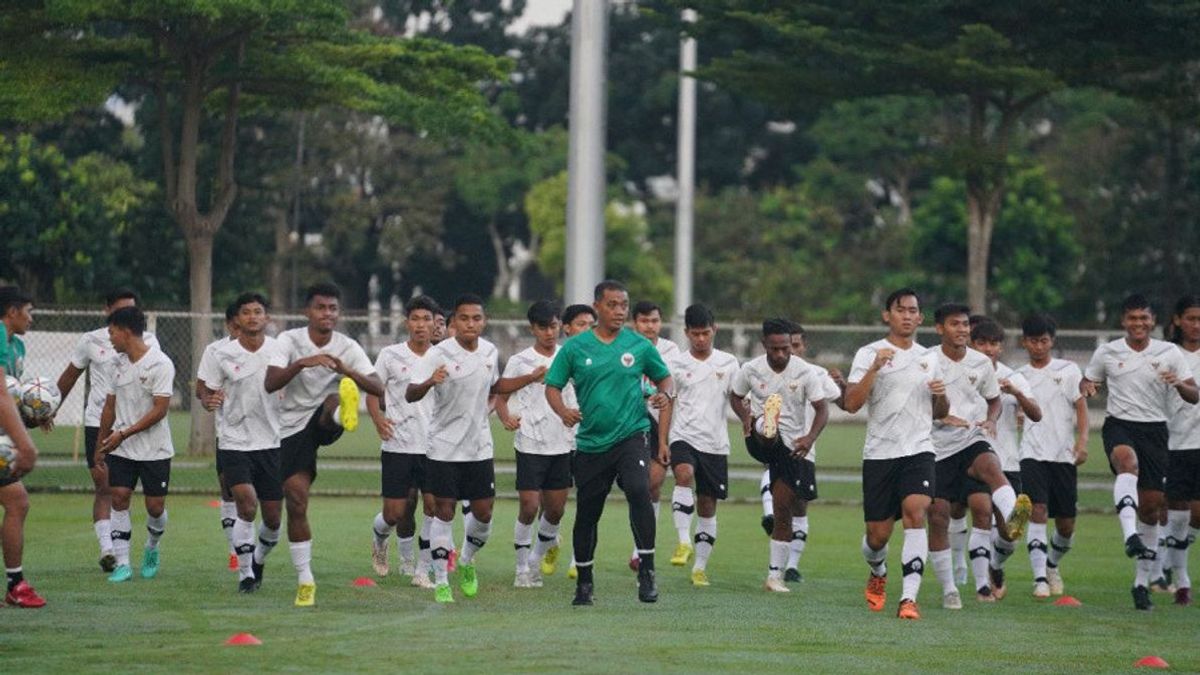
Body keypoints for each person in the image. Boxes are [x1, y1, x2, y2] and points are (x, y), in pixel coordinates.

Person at [545, 280, 673, 606]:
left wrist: (664, 393)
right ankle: (584, 583)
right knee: (588, 513)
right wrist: (563, 412)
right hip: (590, 443)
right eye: (613, 304)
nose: (619, 311)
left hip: (632, 434)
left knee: (639, 490)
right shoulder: (575, 348)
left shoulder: (639, 345)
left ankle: (647, 572)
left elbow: (665, 378)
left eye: (624, 305)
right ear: (597, 306)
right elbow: (552, 387)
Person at [265, 282, 383, 607]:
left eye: (333, 308)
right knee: (282, 509)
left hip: (318, 424)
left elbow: (378, 387)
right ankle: (258, 557)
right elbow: (270, 382)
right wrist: (301, 363)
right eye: (321, 307)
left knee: (336, 395)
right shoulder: (288, 341)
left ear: (338, 312)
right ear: (308, 311)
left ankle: (306, 581)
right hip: (286, 429)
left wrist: (345, 370)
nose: (327, 314)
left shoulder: (347, 346)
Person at [1081, 293, 1199, 610]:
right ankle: (1129, 535)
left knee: (1151, 508)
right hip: (1119, 424)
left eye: (1144, 318)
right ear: (1123, 321)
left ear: (1153, 322)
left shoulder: (1169, 352)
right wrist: (1088, 388)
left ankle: (1140, 583)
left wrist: (1178, 384)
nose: (1138, 324)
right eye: (1132, 318)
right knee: (1126, 463)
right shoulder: (1107, 352)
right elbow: (1087, 382)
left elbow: (1193, 395)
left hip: (1155, 430)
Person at [842, 289, 948, 620]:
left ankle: (908, 599)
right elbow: (851, 404)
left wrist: (941, 396)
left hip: (918, 450)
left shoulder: (930, 357)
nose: (906, 315)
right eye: (899, 310)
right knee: (877, 537)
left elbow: (940, 411)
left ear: (920, 318)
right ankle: (878, 572)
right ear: (887, 315)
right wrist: (874, 368)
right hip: (880, 453)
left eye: (912, 310)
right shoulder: (868, 353)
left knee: (917, 511)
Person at [927, 304, 1031, 609]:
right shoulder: (927, 360)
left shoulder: (981, 363)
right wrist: (943, 416)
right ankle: (949, 588)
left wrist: (991, 419)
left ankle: (1013, 513)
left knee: (990, 465)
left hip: (971, 437)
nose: (961, 329)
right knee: (939, 516)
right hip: (935, 446)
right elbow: (920, 400)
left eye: (964, 324)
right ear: (939, 328)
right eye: (954, 324)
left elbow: (994, 400)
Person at [407, 294, 503, 603]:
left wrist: (491, 410)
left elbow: (495, 390)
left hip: (479, 448)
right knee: (443, 512)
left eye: (477, 318)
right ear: (453, 323)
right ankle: (442, 582)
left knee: (484, 514)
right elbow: (410, 393)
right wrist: (429, 382)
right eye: (464, 318)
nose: (471, 324)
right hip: (444, 449)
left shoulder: (491, 351)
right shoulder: (439, 354)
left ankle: (465, 561)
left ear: (483, 321)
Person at [54, 288, 158, 572]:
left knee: (137, 497)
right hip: (97, 422)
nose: (126, 316)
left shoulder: (150, 341)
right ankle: (108, 550)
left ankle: (148, 543)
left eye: (131, 310)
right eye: (120, 310)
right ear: (107, 310)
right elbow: (70, 376)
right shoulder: (91, 340)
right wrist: (50, 408)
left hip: (133, 426)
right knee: (105, 488)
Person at [731, 317, 836, 592]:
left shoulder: (805, 372)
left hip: (794, 448)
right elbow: (734, 395)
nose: (780, 354)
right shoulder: (751, 369)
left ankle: (774, 576)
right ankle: (767, 421)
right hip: (759, 439)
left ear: (792, 346)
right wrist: (744, 416)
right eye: (774, 349)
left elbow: (822, 409)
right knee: (767, 432)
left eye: (786, 349)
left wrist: (810, 438)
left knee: (783, 510)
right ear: (764, 344)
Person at [197, 293, 284, 593]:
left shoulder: (280, 350)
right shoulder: (220, 353)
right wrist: (209, 399)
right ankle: (245, 574)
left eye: (258, 311)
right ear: (238, 319)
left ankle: (258, 559)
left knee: (273, 520)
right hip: (234, 442)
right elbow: (203, 389)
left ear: (267, 318)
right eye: (246, 312)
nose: (252, 317)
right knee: (246, 505)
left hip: (272, 442)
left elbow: (296, 384)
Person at [495, 300, 573, 588]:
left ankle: (534, 561)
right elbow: (500, 395)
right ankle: (520, 568)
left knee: (555, 510)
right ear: (533, 328)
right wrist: (506, 418)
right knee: (529, 507)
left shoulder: (569, 356)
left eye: (553, 326)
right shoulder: (520, 360)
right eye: (543, 327)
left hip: (562, 443)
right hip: (529, 442)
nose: (549, 333)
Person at [95, 306, 175, 583]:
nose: (111, 339)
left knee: (155, 508)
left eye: (112, 332)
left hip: (155, 449)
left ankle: (152, 548)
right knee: (118, 498)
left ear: (127, 331)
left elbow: (160, 410)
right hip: (122, 447)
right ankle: (123, 564)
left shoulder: (160, 363)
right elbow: (109, 406)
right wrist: (101, 442)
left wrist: (123, 434)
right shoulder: (115, 363)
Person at [1010, 313, 1087, 599]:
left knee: (1066, 526)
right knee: (1037, 510)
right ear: (1024, 342)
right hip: (1032, 453)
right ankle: (1039, 578)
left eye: (1044, 341)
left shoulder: (1068, 370)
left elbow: (1080, 407)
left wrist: (1082, 441)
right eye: (1033, 341)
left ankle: (1052, 564)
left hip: (1063, 456)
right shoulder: (1019, 376)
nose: (1039, 346)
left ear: (1052, 341)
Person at [367, 295, 439, 589]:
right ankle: (379, 536)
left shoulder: (444, 355)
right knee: (397, 512)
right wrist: (378, 420)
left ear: (436, 324)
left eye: (427, 319)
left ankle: (420, 569)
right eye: (416, 319)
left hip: (436, 447)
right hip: (398, 444)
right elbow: (372, 390)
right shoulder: (390, 355)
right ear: (406, 322)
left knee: (433, 507)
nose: (421, 325)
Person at [666, 304, 739, 586]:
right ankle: (683, 541)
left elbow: (737, 397)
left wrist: (749, 420)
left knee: (707, 505)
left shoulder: (729, 362)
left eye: (705, 333)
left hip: (715, 442)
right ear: (686, 333)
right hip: (683, 435)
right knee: (683, 475)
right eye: (695, 334)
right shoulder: (676, 364)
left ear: (714, 331)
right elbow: (668, 402)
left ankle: (699, 566)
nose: (700, 339)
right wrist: (663, 440)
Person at [971, 318, 1043, 599]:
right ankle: (981, 586)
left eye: (994, 343)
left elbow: (1037, 414)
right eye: (982, 343)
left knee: (1009, 535)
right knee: (979, 511)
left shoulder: (1014, 377)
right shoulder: (963, 373)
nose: (989, 349)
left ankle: (995, 565)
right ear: (973, 344)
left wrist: (1017, 394)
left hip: (1008, 462)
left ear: (1000, 347)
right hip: (971, 457)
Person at [0, 287, 44, 607]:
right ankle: (15, 585)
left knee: (17, 501)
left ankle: (15, 584)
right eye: (28, 311)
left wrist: (34, 412)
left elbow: (11, 397)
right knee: (18, 501)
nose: (31, 318)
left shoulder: (18, 346)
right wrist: (25, 445)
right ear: (12, 312)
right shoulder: (0, 333)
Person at [631, 301, 683, 569]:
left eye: (654, 321)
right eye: (644, 321)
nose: (649, 326)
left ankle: (640, 550)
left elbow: (669, 391)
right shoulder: (625, 346)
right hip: (630, 422)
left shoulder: (671, 351)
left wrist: (664, 439)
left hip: (659, 422)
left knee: (653, 484)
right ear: (634, 323)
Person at [195, 303, 240, 572]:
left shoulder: (271, 350)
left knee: (260, 499)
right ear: (229, 325)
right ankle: (234, 549)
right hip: (229, 434)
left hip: (266, 436)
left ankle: (250, 546)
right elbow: (201, 389)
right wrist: (209, 399)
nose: (242, 327)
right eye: (236, 323)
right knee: (230, 492)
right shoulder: (215, 351)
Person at [1165, 295, 1200, 606]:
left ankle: (1168, 555)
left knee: (1196, 516)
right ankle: (1181, 580)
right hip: (1174, 442)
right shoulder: (1167, 354)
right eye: (1191, 318)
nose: (1196, 325)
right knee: (1177, 515)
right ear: (1177, 320)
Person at [558, 304, 597, 581]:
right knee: (551, 505)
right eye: (581, 324)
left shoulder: (601, 357)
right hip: (554, 442)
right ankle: (547, 539)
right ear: (567, 328)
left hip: (585, 441)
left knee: (586, 503)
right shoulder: (559, 357)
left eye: (590, 325)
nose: (587, 330)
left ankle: (577, 559)